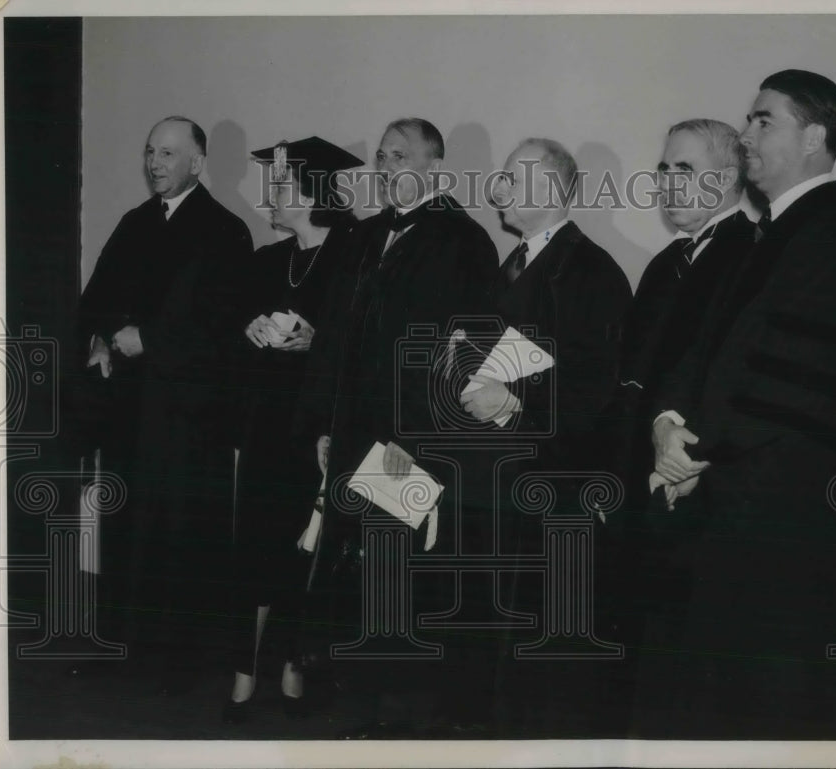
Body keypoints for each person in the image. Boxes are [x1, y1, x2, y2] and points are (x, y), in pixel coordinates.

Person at [647, 70, 836, 738]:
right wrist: (668, 425)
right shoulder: (775, 237)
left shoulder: (833, 242)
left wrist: (694, 457)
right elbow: (704, 358)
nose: (747, 134)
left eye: (764, 121)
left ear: (814, 137)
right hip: (740, 514)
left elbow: (798, 393)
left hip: (786, 532)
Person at [294, 117, 499, 737]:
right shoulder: (364, 236)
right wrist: (325, 422)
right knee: (350, 570)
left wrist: (425, 444)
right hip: (354, 431)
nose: (386, 167)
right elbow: (334, 333)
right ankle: (354, 709)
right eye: (381, 157)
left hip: (410, 439)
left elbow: (466, 351)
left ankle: (394, 723)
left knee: (395, 574)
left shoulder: (464, 242)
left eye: (400, 157)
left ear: (434, 168)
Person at [76, 116, 254, 693]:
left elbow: (226, 327)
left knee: (178, 532)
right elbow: (97, 298)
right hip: (130, 406)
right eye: (150, 151)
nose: (155, 162)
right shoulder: (134, 223)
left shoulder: (226, 232)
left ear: (197, 163)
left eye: (169, 154)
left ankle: (176, 665)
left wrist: (149, 339)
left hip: (185, 415)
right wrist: (102, 339)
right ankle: (127, 649)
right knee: (127, 525)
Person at [464, 137, 631, 736]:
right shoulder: (514, 262)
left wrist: (513, 404)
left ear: (554, 190)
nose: (498, 188)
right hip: (492, 482)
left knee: (529, 642)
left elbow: (593, 386)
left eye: (512, 176)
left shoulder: (589, 270)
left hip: (542, 485)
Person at [598, 119, 754, 725]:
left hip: (699, 485)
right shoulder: (665, 263)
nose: (664, 182)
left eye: (681, 170)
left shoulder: (754, 254)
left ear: (726, 175)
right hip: (639, 484)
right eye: (662, 169)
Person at [222, 136, 363, 723]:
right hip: (265, 424)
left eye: (281, 187)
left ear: (314, 195)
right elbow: (231, 331)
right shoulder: (262, 260)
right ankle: (244, 668)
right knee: (253, 543)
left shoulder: (355, 258)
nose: (271, 197)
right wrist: (251, 330)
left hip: (319, 428)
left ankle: (294, 665)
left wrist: (317, 342)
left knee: (305, 548)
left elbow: (361, 343)